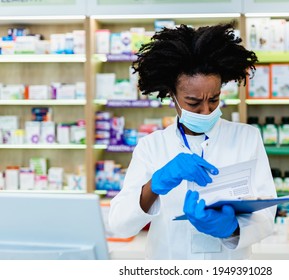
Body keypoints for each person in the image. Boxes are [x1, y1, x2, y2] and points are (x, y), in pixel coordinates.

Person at [109, 23, 277, 260]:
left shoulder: (247, 138)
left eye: (214, 99)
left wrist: (230, 228)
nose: (206, 110)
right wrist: (155, 184)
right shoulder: (152, 146)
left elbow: (267, 216)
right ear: (173, 96)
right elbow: (120, 225)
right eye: (193, 102)